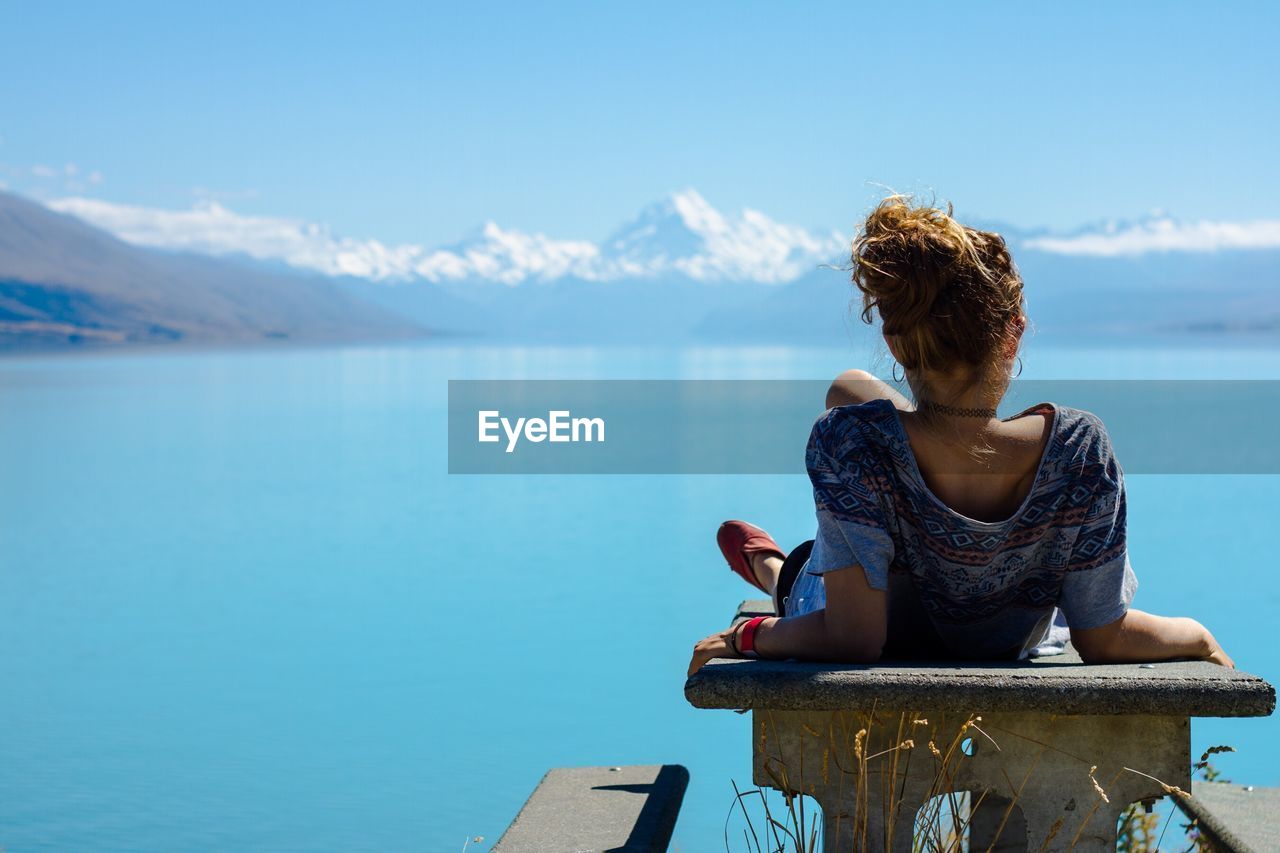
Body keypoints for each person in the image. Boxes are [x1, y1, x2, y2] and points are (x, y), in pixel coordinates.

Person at [687, 196, 1233, 676]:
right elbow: (1103, 634)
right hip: (1013, 637)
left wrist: (747, 635)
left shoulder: (846, 442)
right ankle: (934, 432)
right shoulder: (1081, 448)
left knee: (802, 574)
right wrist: (1199, 634)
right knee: (851, 391)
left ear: (896, 346)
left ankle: (769, 567)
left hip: (841, 603)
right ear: (1012, 334)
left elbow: (853, 637)